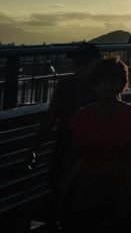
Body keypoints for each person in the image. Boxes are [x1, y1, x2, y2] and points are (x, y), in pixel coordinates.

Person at [62, 56, 131, 233]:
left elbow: (72, 156)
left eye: (112, 80)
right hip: (119, 185)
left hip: (88, 187)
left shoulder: (82, 116)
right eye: (105, 81)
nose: (108, 86)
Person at [28, 43, 102, 230]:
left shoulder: (68, 86)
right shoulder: (101, 87)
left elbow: (50, 119)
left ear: (95, 63)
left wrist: (34, 147)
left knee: (64, 194)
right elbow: (50, 119)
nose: (78, 66)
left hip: (73, 150)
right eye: (77, 62)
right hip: (78, 151)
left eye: (82, 62)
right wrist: (34, 147)